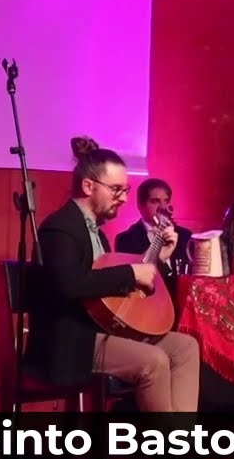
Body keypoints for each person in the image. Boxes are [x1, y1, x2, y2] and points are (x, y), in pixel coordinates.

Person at [24, 137, 200, 412]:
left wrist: (159, 259)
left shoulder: (98, 234)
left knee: (185, 348)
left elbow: (117, 291)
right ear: (88, 186)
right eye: (116, 189)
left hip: (101, 332)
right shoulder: (59, 228)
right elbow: (69, 284)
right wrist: (130, 273)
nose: (124, 198)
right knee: (153, 360)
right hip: (71, 341)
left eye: (125, 190)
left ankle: (180, 436)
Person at [114, 178, 194, 303]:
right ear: (140, 205)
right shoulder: (125, 239)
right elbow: (133, 282)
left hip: (180, 304)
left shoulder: (184, 235)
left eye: (166, 201)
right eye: (155, 201)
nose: (162, 207)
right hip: (148, 305)